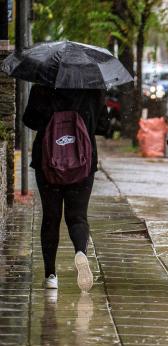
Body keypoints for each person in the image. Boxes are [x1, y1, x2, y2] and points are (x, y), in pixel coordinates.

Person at [23, 84, 108, 291]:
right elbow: (104, 127)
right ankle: (80, 251)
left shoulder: (42, 87)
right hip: (83, 163)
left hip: (47, 162)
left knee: (51, 218)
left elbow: (29, 121)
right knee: (78, 216)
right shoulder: (94, 89)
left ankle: (51, 275)